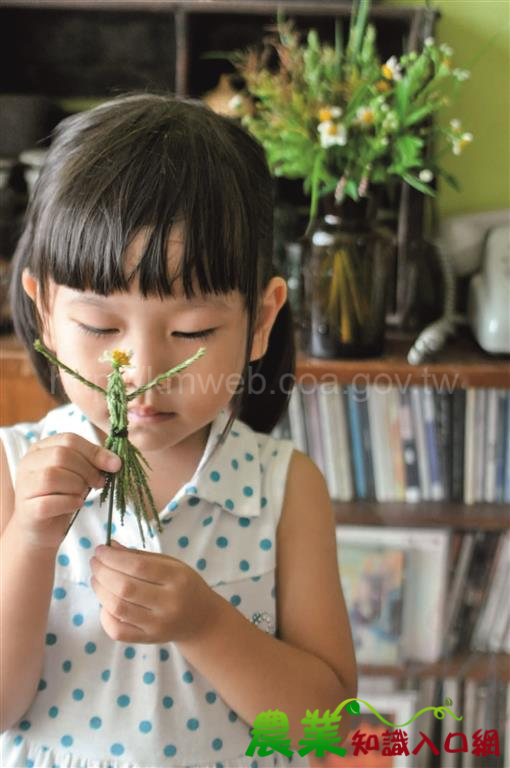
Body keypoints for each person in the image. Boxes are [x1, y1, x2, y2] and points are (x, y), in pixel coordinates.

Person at [0, 93, 357, 768]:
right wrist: (28, 540)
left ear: (260, 320)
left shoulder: (284, 489)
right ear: (44, 309)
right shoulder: (12, 468)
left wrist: (207, 625)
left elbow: (331, 731)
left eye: (193, 333)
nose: (142, 371)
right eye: (101, 328)